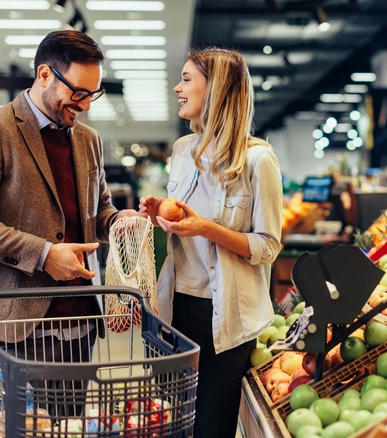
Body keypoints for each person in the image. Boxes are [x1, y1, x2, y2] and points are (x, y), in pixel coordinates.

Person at [0, 30, 144, 418]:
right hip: (15, 326)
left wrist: (120, 220)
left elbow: (96, 211)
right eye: (79, 92)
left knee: (65, 426)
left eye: (93, 94)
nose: (85, 105)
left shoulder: (89, 140)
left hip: (79, 323)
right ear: (45, 74)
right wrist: (44, 254)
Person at [139, 47, 283, 437]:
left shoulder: (257, 160)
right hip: (178, 304)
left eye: (186, 79)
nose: (177, 88)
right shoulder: (182, 152)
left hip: (228, 313)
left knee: (212, 426)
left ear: (216, 88)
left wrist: (207, 229)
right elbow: (182, 221)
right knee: (177, 421)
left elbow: (268, 246)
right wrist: (158, 214)